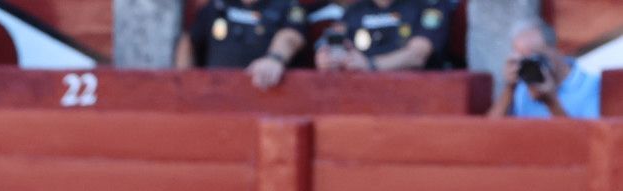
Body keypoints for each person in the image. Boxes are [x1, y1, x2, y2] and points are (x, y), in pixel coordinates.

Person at [175, 0, 306, 90]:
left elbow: (291, 36)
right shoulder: (216, 5)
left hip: (266, 95)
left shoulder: (286, 6)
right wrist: (185, 84)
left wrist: (274, 59)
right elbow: (189, 42)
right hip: (216, 98)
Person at [488, 17, 600, 120]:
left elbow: (586, 139)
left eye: (534, 58)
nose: (530, 66)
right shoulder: (521, 87)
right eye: (524, 61)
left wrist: (551, 103)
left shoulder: (591, 86)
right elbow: (488, 135)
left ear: (556, 49)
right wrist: (509, 88)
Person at [314, 0, 448, 72]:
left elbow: (418, 55)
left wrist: (370, 64)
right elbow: (332, 40)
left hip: (416, 95)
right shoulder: (355, 10)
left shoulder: (427, 5)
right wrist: (327, 56)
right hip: (363, 95)